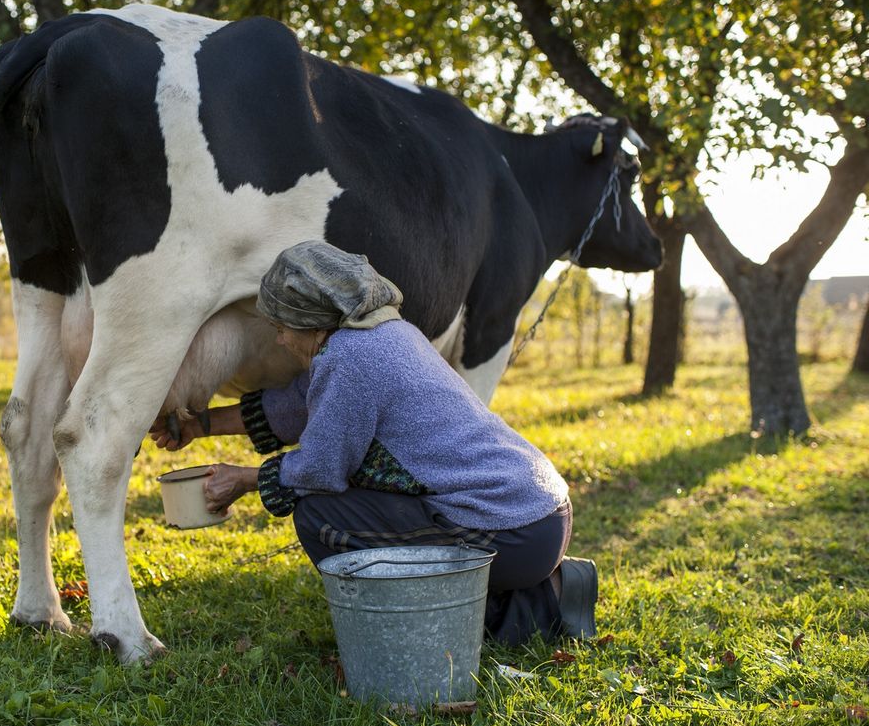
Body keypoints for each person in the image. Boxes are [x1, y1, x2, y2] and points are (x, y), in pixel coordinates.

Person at [150, 240, 597, 646]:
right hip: (537, 512)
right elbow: (297, 406)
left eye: (282, 326)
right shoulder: (384, 334)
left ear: (310, 320)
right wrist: (200, 424)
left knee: (321, 514)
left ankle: (436, 630)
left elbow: (320, 473)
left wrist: (243, 480)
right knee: (351, 504)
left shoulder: (349, 358)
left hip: (512, 531)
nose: (281, 339)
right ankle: (552, 590)